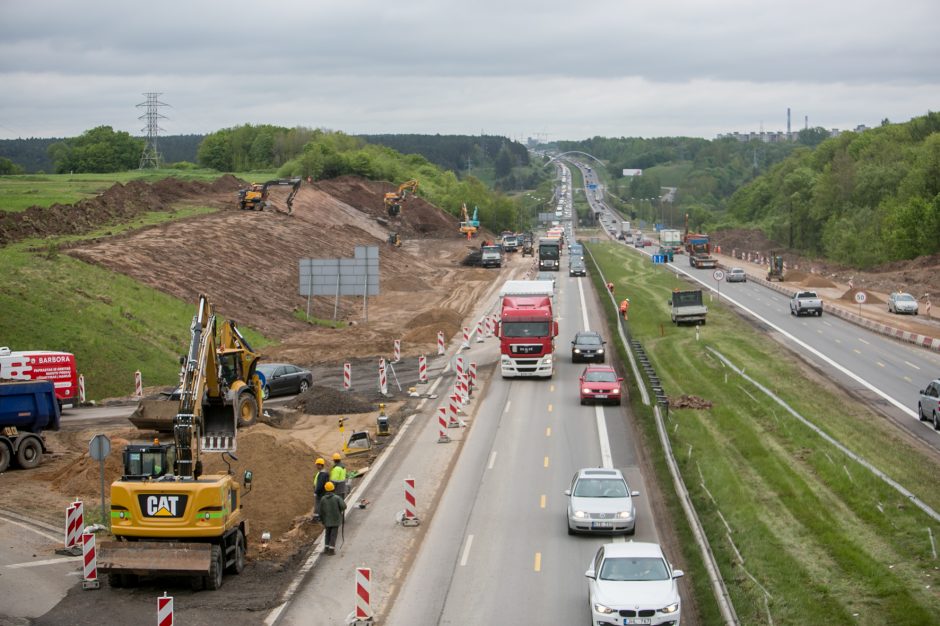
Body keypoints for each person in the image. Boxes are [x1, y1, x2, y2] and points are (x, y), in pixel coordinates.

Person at [320, 481, 347, 553]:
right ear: (333, 489)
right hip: (336, 519)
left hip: (326, 520)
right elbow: (344, 506)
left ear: (326, 489)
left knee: (327, 534)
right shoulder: (337, 498)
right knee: (333, 534)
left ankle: (326, 548)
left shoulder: (323, 499)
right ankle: (331, 550)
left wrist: (322, 520)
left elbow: (321, 511)